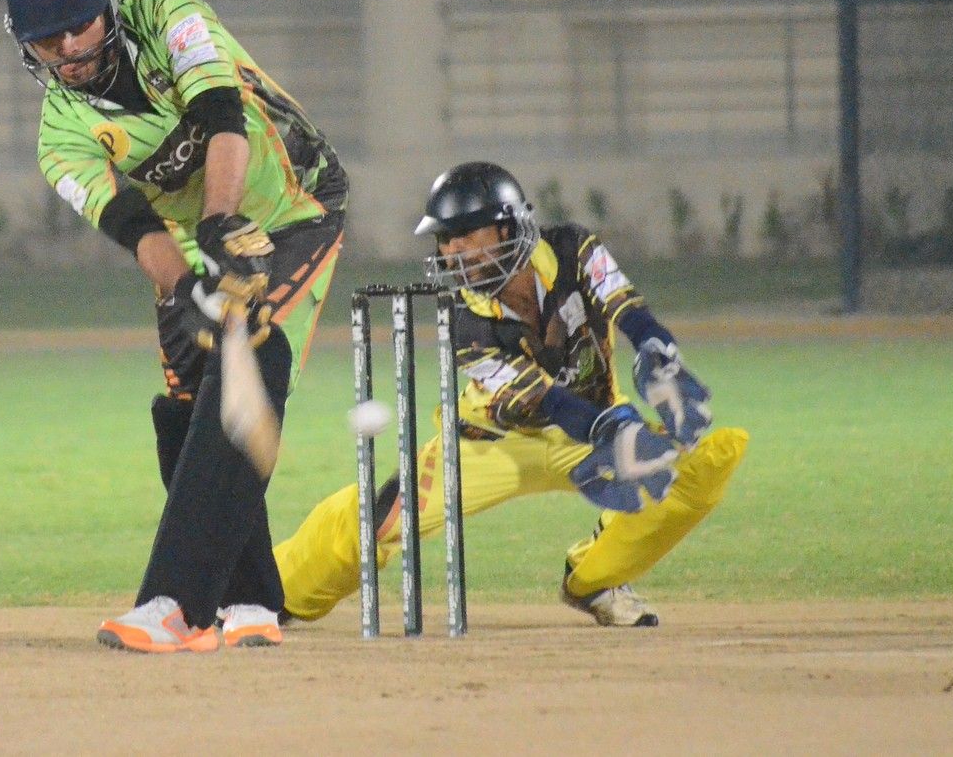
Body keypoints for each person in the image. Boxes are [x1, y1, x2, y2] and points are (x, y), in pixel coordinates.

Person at [5, 0, 347, 652]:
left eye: (79, 26)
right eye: (47, 40)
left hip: (293, 201)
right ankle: (251, 601)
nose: (68, 50)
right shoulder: (59, 136)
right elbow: (136, 228)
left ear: (107, 8)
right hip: (191, 239)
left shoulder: (165, 11)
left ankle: (176, 604)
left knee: (252, 350)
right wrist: (188, 288)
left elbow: (222, 115)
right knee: (188, 410)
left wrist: (221, 223)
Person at [274, 162, 748, 626]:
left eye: (466, 234)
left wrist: (656, 347)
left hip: (591, 425)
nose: (453, 251)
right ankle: (273, 588)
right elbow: (544, 398)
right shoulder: (464, 321)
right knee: (380, 521)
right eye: (445, 238)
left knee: (691, 472)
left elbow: (622, 302)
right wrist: (614, 428)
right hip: (490, 442)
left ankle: (594, 580)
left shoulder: (573, 247)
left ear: (508, 227)